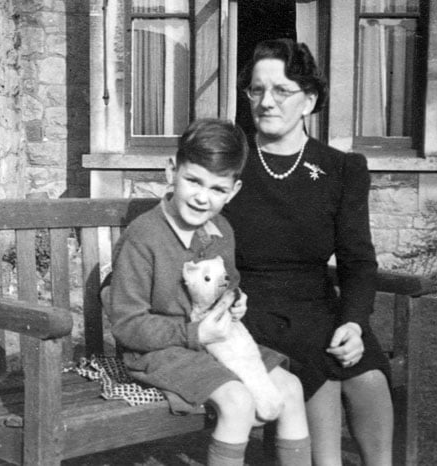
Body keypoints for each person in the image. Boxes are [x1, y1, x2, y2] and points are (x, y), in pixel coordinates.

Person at [223, 39, 394, 466]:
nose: (266, 102)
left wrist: (354, 323)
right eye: (256, 90)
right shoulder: (228, 163)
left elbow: (357, 260)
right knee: (325, 373)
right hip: (252, 308)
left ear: (309, 100)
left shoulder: (340, 168)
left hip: (320, 303)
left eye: (281, 90)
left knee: (368, 376)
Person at [104, 118, 311, 466]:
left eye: (217, 189)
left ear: (234, 191)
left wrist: (234, 301)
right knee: (237, 400)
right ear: (172, 171)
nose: (202, 198)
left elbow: (225, 283)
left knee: (291, 388)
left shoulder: (221, 231)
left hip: (214, 343)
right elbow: (127, 325)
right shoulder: (144, 238)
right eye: (193, 181)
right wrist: (194, 332)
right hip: (156, 352)